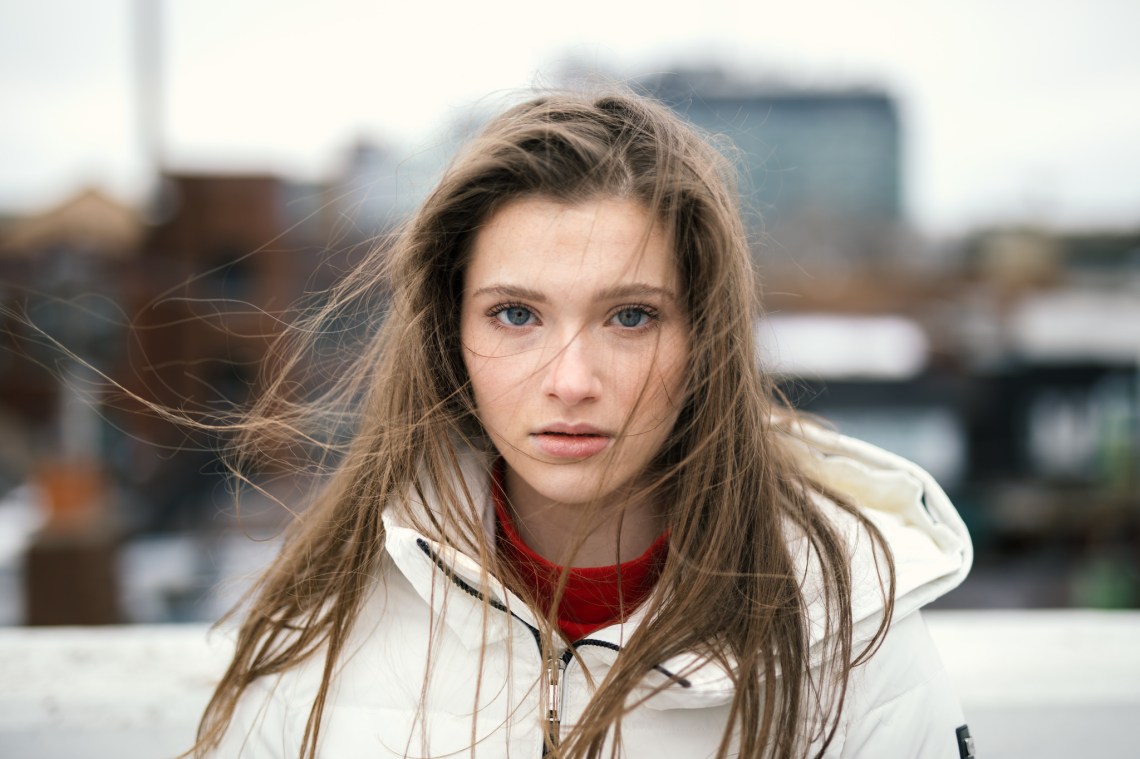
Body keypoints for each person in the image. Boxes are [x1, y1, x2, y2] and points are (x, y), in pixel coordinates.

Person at [194, 90, 973, 759]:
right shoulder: (327, 624)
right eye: (515, 314)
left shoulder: (851, 626)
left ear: (704, 337)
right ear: (449, 332)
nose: (571, 380)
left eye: (630, 316)